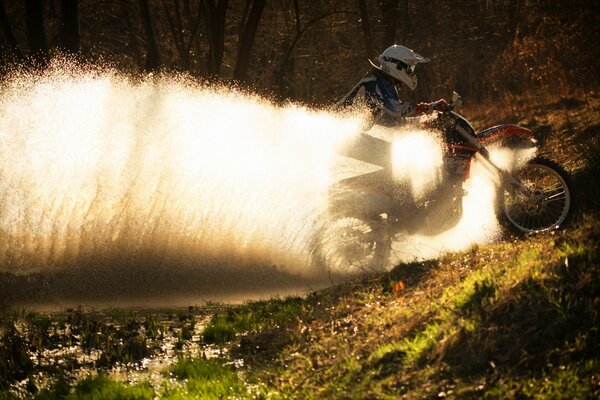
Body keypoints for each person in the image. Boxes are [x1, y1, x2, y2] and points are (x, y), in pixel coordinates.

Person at [337, 44, 449, 124]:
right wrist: (431, 106)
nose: (411, 72)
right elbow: (397, 110)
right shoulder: (376, 81)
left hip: (353, 133)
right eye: (409, 68)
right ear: (397, 65)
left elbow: (394, 119)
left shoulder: (385, 83)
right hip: (341, 129)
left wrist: (425, 121)